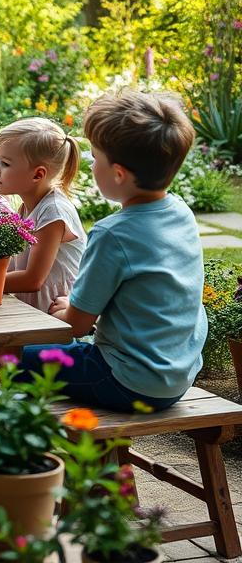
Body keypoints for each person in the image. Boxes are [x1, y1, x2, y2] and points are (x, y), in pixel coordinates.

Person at [19, 92, 204, 412]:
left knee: (12, 356)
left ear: (118, 174)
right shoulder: (180, 212)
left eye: (94, 157)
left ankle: (34, 453)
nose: (91, 165)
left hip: (125, 380)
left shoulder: (112, 233)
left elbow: (75, 326)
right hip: (179, 375)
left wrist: (65, 310)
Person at [0, 117, 86, 311]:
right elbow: (13, 264)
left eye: (5, 164)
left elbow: (32, 279)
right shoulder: (26, 206)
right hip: (29, 307)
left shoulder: (53, 212)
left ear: (38, 174)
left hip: (52, 315)